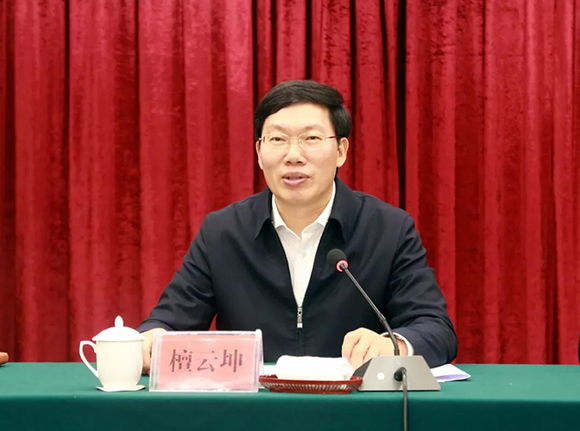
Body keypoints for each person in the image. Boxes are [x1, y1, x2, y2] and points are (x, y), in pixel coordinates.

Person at [138, 80, 457, 373]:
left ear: (341, 151)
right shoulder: (223, 232)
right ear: (259, 152)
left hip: (353, 406)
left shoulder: (387, 229)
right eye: (277, 139)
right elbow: (167, 322)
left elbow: (436, 329)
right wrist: (149, 341)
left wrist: (393, 345)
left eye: (311, 139)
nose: (293, 156)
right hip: (255, 407)